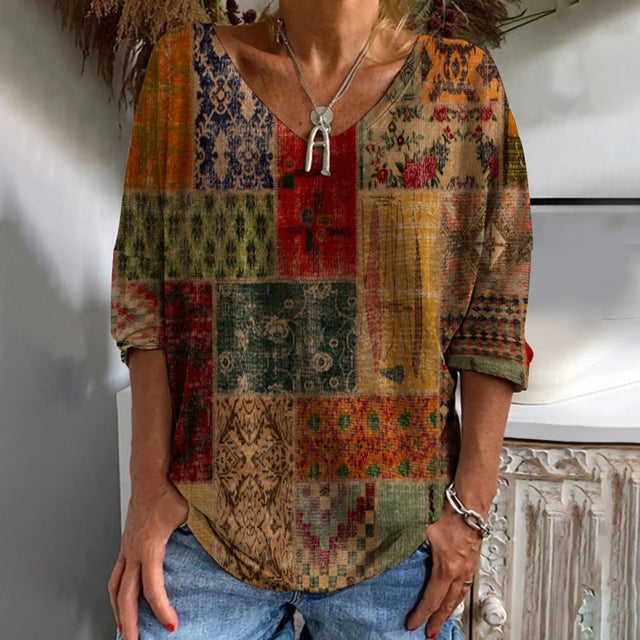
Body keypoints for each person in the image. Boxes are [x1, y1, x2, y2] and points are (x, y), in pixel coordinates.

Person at [107, 1, 533, 639]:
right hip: (202, 538)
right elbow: (144, 298)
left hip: (399, 552)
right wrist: (145, 489)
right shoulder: (184, 70)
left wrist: (469, 512)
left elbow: (494, 313)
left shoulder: (463, 86)